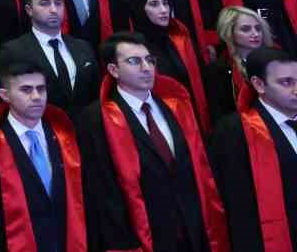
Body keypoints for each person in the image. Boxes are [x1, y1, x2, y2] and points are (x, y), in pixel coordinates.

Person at [76, 31, 229, 252]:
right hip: (143, 233)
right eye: (134, 61)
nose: (146, 68)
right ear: (113, 70)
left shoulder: (176, 105)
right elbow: (102, 188)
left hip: (193, 228)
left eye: (149, 60)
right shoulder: (97, 119)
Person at [0, 61, 88, 252]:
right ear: (5, 95)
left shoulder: (64, 136)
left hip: (67, 241)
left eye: (41, 89)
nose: (36, 97)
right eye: (26, 90)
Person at [207, 46, 297, 252]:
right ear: (259, 84)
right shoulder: (234, 131)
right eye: (286, 82)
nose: (296, 89)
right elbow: (235, 202)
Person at [0, 0, 100, 112]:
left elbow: (95, 94)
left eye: (58, 3)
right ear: (29, 10)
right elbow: (9, 99)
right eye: (44, 3)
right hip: (41, 122)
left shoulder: (83, 47)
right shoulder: (13, 51)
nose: (53, 10)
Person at [124, 0, 210, 127]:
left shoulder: (180, 39)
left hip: (193, 119)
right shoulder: (132, 50)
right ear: (139, 8)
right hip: (160, 124)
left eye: (165, 3)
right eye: (154, 4)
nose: (164, 10)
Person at [205, 5, 272, 120]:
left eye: (258, 28)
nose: (255, 34)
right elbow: (221, 115)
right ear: (229, 32)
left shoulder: (276, 60)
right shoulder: (219, 70)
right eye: (245, 29)